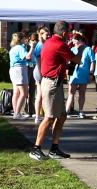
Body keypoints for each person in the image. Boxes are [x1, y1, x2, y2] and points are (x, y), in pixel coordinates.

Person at [30, 20, 77, 160]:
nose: (69, 35)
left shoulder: (50, 42)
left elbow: (59, 60)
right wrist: (80, 49)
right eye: (68, 33)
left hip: (53, 82)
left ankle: (54, 148)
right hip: (51, 83)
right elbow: (76, 59)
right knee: (49, 117)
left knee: (62, 115)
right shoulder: (59, 44)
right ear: (63, 33)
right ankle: (36, 149)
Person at [69, 33, 94, 118]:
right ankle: (67, 111)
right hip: (73, 74)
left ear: (79, 40)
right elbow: (69, 62)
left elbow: (92, 61)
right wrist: (68, 73)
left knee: (82, 93)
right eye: (72, 40)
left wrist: (91, 73)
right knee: (71, 93)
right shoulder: (72, 49)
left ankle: (80, 111)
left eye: (74, 40)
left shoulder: (88, 49)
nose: (73, 41)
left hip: (84, 73)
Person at [8, 32, 30, 118]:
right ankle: (17, 113)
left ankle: (16, 112)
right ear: (21, 39)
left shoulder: (13, 48)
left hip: (13, 69)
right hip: (19, 69)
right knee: (23, 93)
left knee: (16, 92)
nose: (26, 40)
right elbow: (27, 57)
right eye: (24, 38)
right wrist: (32, 47)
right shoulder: (20, 48)